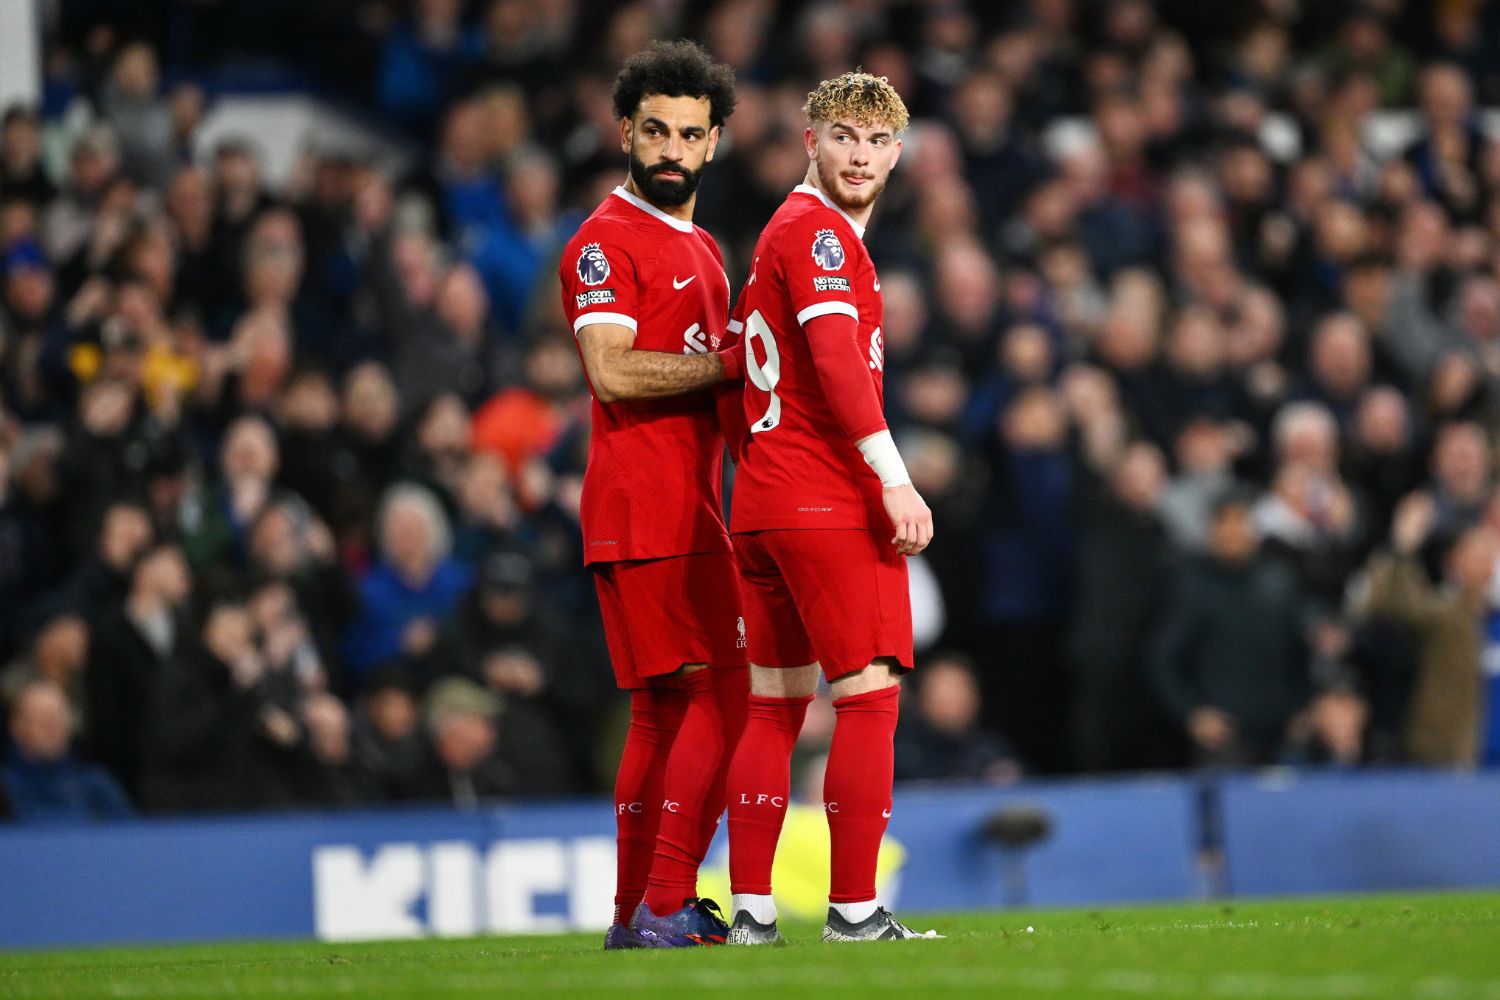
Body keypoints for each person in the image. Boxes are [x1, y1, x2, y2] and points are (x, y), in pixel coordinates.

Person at [722, 71, 939, 945]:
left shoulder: (787, 232)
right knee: (869, 699)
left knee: (773, 707)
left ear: (897, 153)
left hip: (766, 503)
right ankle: (854, 909)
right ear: (809, 140)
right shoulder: (818, 239)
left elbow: (741, 365)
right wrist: (892, 476)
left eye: (877, 141)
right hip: (825, 498)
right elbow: (840, 365)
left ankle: (752, 911)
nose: (860, 154)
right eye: (843, 136)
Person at [556, 40, 748, 950]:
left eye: (691, 134)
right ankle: (666, 898)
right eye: (657, 131)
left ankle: (638, 915)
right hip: (644, 503)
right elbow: (611, 371)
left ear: (715, 145)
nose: (673, 149)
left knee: (667, 708)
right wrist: (727, 365)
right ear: (625, 132)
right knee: (729, 690)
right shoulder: (604, 240)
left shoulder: (705, 247)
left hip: (690, 503)